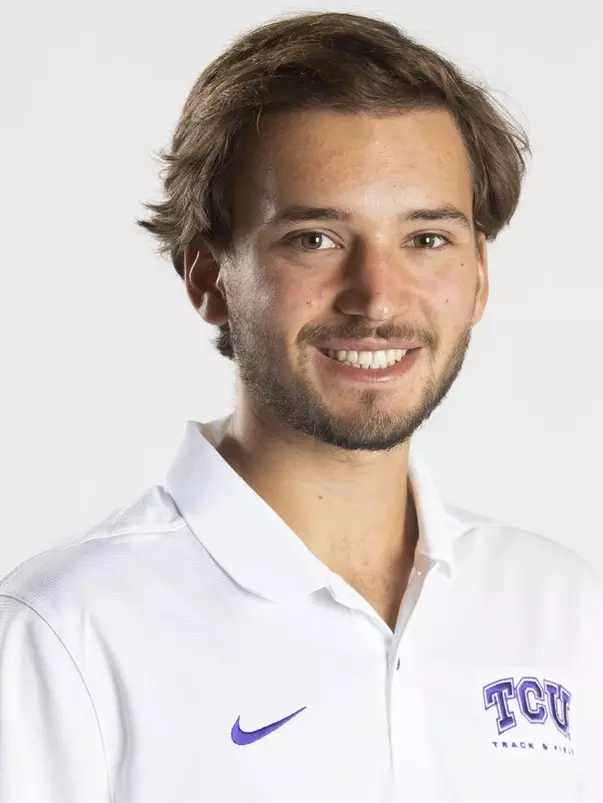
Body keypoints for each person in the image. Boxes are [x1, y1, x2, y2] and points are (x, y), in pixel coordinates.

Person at [0, 10, 601, 803]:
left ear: (480, 275)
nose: (377, 298)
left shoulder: (562, 607)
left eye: (425, 239)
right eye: (314, 238)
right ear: (208, 278)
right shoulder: (63, 634)